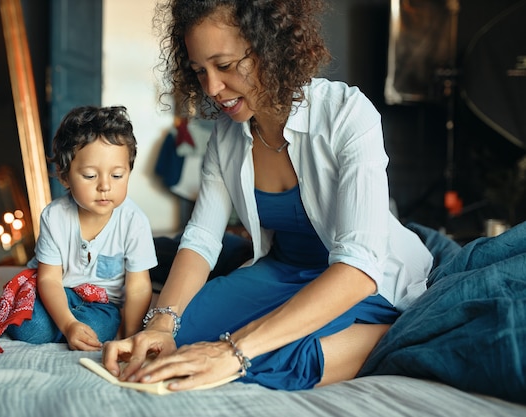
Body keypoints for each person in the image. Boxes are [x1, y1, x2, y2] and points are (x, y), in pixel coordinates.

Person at [102, 0, 433, 391]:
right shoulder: (226, 137)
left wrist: (233, 351)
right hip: (284, 270)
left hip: (359, 277)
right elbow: (202, 240)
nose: (211, 88)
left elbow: (358, 268)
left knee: (277, 359)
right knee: (179, 339)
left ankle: (387, 332)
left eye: (223, 66)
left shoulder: (348, 115)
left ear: (270, 47)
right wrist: (161, 322)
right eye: (199, 71)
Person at [1, 106, 157, 352]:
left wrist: (129, 335)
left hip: (102, 304)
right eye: (89, 176)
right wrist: (68, 324)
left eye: (117, 176)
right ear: (65, 177)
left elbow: (138, 286)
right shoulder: (55, 217)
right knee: (29, 328)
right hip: (58, 291)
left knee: (101, 329)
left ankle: (30, 313)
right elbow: (49, 279)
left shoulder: (134, 222)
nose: (105, 186)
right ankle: (9, 306)